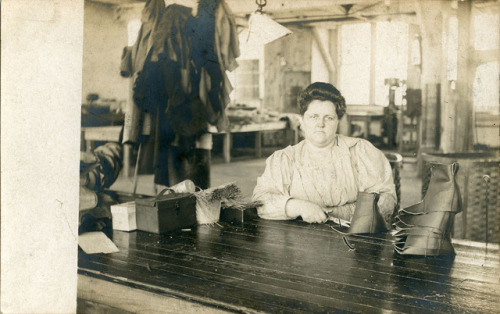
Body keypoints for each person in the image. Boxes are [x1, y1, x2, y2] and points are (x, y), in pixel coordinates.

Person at [252, 82, 397, 225]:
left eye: (328, 118)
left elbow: (386, 200)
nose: (320, 124)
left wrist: (339, 214)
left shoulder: (360, 151)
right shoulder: (284, 159)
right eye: (314, 116)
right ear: (302, 119)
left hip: (354, 237)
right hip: (300, 242)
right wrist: (297, 206)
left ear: (338, 121)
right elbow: (261, 201)